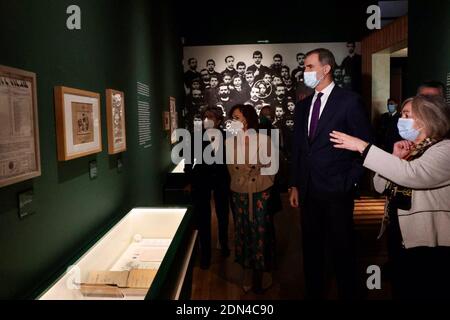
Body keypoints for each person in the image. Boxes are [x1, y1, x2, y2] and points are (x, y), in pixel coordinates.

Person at [329, 95, 450, 299]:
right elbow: (379, 185)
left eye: (406, 115)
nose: (400, 119)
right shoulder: (411, 149)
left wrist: (362, 147)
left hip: (430, 240)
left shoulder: (444, 149)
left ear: (427, 118)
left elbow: (413, 175)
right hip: (400, 233)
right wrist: (395, 158)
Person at [289, 48, 373, 299]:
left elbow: (366, 146)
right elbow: (299, 149)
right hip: (308, 190)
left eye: (309, 66)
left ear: (326, 69)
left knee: (342, 250)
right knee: (311, 249)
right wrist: (294, 184)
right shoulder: (303, 106)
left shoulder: (349, 101)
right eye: (305, 67)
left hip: (337, 191)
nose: (305, 72)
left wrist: (350, 181)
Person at [226, 104, 276, 294]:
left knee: (261, 230)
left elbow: (272, 168)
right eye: (232, 118)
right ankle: (247, 269)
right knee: (242, 229)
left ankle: (263, 269)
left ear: (248, 119)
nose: (234, 121)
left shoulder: (264, 140)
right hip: (239, 191)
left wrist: (259, 181)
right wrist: (241, 181)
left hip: (260, 190)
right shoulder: (228, 143)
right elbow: (230, 169)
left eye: (237, 117)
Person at [184, 106, 231, 269]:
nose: (206, 120)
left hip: (222, 179)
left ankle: (224, 244)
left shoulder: (228, 136)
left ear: (219, 120)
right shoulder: (195, 137)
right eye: (205, 117)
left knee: (223, 214)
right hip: (201, 179)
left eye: (210, 117)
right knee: (203, 218)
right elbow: (189, 160)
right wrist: (189, 180)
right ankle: (205, 254)